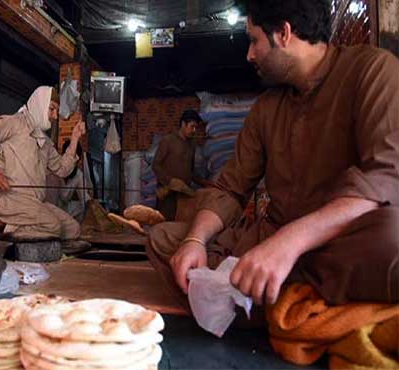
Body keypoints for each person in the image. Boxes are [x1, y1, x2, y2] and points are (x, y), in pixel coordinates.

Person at [147, 0, 399, 314]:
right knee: (164, 239)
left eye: (254, 41)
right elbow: (230, 188)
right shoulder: (267, 107)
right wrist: (195, 241)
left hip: (340, 245)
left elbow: (385, 178)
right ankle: (296, 300)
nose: (249, 54)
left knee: (394, 237)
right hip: (271, 241)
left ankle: (263, 299)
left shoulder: (372, 69)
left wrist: (288, 244)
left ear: (283, 33)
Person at [0, 86, 86, 240]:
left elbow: (62, 169)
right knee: (52, 226)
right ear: (40, 104)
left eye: (56, 111)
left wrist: (75, 137)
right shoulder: (12, 123)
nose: (55, 116)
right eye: (51, 109)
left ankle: (8, 224)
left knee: (73, 230)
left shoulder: (45, 142)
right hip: (9, 199)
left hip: (34, 203)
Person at [152, 109, 213, 221]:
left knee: (181, 227)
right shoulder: (167, 141)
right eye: (192, 126)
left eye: (196, 127)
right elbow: (156, 165)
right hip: (167, 197)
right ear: (183, 124)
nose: (194, 130)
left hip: (184, 196)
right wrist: (170, 181)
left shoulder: (192, 145)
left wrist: (205, 182)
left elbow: (191, 171)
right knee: (165, 226)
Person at [45, 140, 93, 223]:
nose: (72, 162)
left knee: (82, 207)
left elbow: (84, 198)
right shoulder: (53, 172)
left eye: (75, 160)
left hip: (65, 210)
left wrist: (93, 206)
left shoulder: (78, 175)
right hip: (50, 211)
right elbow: (50, 201)